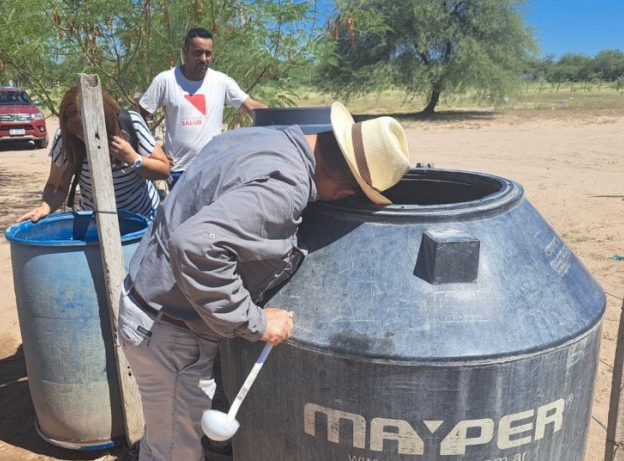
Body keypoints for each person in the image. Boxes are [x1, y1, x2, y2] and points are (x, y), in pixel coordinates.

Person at [118, 102, 411, 460]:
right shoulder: (284, 190)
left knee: (166, 437)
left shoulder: (261, 137)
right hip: (169, 334)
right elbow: (195, 246)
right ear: (347, 192)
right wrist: (255, 320)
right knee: (173, 453)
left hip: (148, 303)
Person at [17, 85, 170, 223]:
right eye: (79, 134)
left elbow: (164, 170)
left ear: (107, 119)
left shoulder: (130, 123)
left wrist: (133, 158)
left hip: (143, 218)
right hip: (96, 221)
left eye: (94, 132)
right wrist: (45, 207)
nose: (86, 138)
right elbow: (56, 186)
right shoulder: (66, 140)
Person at [137, 27, 268, 183]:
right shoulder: (166, 80)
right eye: (197, 53)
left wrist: (281, 119)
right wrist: (154, 151)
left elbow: (252, 107)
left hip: (214, 168)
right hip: (180, 171)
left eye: (208, 53)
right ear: (185, 52)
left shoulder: (221, 81)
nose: (204, 58)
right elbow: (138, 117)